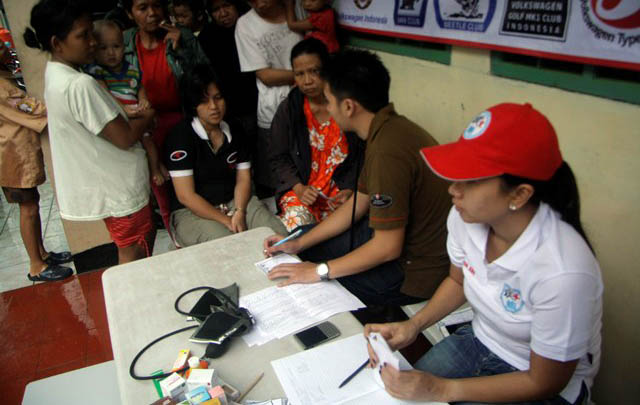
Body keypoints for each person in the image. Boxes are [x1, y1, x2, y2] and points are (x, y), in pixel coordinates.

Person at [365, 103, 602, 405]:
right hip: (481, 341)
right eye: (456, 174)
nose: (453, 190)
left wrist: (442, 389)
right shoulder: (465, 218)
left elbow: (544, 382)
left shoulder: (563, 271)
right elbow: (457, 280)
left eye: (471, 180)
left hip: (538, 380)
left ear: (519, 194)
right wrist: (413, 326)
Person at [264, 50, 451, 307]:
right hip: (387, 240)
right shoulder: (387, 129)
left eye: (329, 101)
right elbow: (359, 203)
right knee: (305, 245)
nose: (327, 108)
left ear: (348, 106)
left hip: (414, 272)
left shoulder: (387, 152)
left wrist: (318, 271)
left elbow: (387, 248)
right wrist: (298, 242)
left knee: (315, 288)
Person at [24, 0, 156, 264]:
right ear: (57, 43)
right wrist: (148, 116)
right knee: (134, 253)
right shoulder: (79, 84)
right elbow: (124, 137)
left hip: (115, 188)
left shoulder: (56, 74)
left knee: (135, 249)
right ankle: (130, 303)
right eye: (83, 36)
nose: (93, 43)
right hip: (120, 191)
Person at [164, 65, 287, 246]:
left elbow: (243, 179)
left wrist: (239, 211)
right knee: (229, 246)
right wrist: (226, 221)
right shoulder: (180, 137)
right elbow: (186, 196)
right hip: (191, 212)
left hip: (234, 201)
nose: (214, 107)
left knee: (278, 237)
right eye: (204, 101)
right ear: (192, 105)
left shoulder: (235, 128)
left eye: (218, 98)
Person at [122, 0, 210, 231]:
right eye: (142, 8)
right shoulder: (124, 43)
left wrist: (181, 48)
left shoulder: (182, 36)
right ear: (130, 14)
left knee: (193, 184)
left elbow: (203, 77)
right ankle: (176, 237)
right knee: (161, 189)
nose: (152, 13)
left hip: (182, 122)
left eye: (156, 6)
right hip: (146, 128)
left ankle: (202, 233)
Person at [270, 38, 361, 232]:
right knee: (299, 223)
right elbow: (278, 158)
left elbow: (362, 154)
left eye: (314, 71)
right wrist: (298, 188)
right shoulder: (290, 109)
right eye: (299, 74)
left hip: (340, 192)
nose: (307, 81)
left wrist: (350, 188)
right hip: (302, 189)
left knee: (350, 225)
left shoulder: (346, 105)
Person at [0, 78, 73, 282]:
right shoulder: (2, 86)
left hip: (14, 152)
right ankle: (36, 266)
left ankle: (42, 254)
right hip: (13, 154)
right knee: (28, 208)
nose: (4, 50)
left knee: (32, 203)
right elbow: (31, 109)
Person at [87, 19, 167, 187]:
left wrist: (144, 100)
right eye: (104, 48)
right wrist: (122, 108)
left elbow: (139, 88)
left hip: (136, 115)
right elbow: (105, 94)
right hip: (118, 118)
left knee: (149, 143)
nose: (110, 53)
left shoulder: (131, 69)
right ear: (94, 50)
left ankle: (155, 168)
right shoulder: (97, 71)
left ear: (124, 47)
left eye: (116, 47)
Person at [235, 0, 302, 197]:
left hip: (312, 105)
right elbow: (265, 75)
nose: (257, 2)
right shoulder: (245, 25)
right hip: (273, 110)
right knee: (278, 180)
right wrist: (307, 76)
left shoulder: (299, 8)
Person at [199, 0, 258, 158]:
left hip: (256, 104)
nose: (223, 13)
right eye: (216, 9)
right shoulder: (207, 37)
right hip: (226, 111)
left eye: (227, 5)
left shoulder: (252, 26)